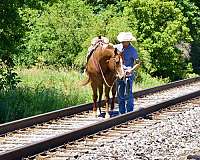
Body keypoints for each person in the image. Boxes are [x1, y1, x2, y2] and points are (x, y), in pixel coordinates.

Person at [114, 32, 140, 114]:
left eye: (124, 41)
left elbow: (138, 63)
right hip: (119, 73)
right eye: (122, 41)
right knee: (120, 93)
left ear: (129, 41)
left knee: (128, 93)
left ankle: (129, 112)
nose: (123, 43)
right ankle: (121, 112)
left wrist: (131, 70)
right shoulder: (117, 47)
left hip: (128, 74)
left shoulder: (133, 50)